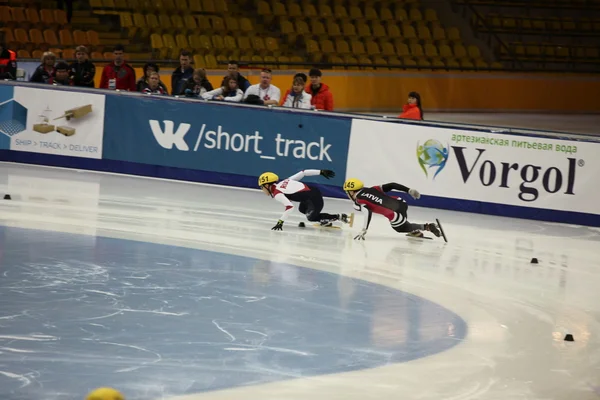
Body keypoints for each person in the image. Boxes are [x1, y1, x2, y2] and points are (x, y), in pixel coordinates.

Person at [342, 178, 441, 240]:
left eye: (348, 192)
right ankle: (413, 230)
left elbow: (367, 212)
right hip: (401, 202)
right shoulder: (372, 189)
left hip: (395, 214)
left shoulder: (358, 201)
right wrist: (409, 190)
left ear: (351, 192)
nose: (348, 195)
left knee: (400, 228)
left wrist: (364, 229)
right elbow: (392, 185)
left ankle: (427, 227)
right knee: (401, 222)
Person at [258, 169, 352, 230]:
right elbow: (303, 172)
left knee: (311, 218)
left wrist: (280, 222)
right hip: (312, 194)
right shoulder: (284, 181)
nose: (262, 190)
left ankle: (339, 216)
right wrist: (320, 172)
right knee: (302, 209)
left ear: (267, 185)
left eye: (262, 187)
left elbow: (290, 207)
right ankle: (324, 220)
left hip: (313, 198)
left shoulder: (277, 193)